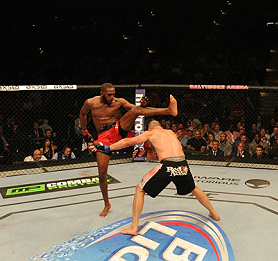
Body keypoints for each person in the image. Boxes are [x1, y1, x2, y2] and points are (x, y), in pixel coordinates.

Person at [89, 119, 219, 235]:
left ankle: (134, 227)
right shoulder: (171, 134)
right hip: (182, 164)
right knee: (194, 188)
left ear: (149, 128)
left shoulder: (151, 133)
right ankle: (214, 213)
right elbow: (163, 155)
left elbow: (129, 141)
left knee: (139, 189)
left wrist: (107, 147)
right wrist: (146, 154)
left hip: (168, 165)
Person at [78, 83, 177, 217]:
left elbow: (136, 109)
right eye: (109, 95)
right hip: (103, 136)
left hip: (119, 129)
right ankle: (107, 204)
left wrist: (141, 105)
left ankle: (167, 110)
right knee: (102, 174)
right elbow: (82, 114)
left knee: (136, 111)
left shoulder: (119, 102)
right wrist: (85, 131)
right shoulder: (90, 103)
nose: (113, 97)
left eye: (114, 94)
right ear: (102, 93)